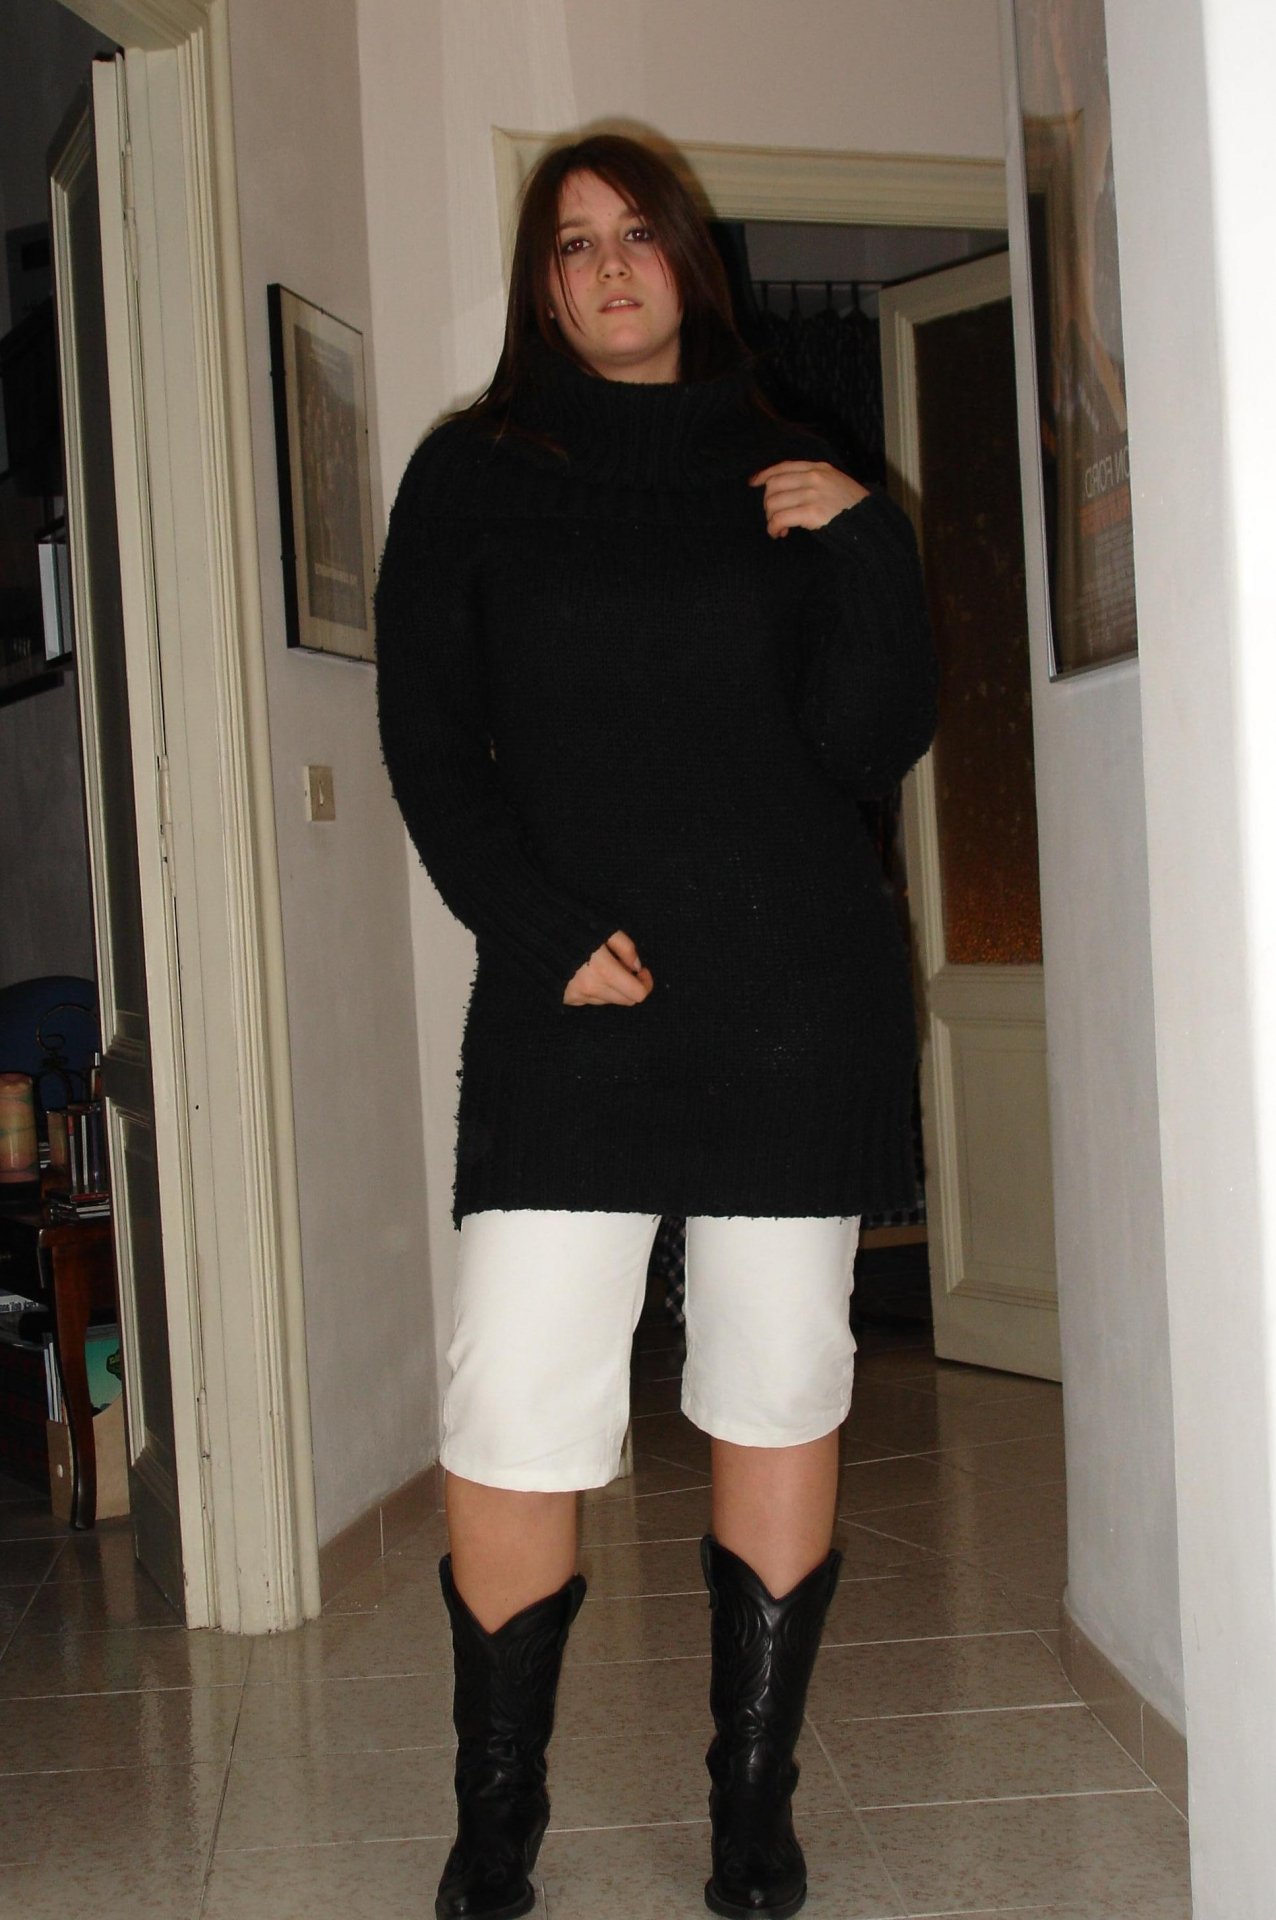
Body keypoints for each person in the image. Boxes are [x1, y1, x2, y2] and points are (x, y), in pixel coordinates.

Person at [374, 130, 938, 1920]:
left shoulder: (800, 458)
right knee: (515, 1399)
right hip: (571, 1008)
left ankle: (750, 1819)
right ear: (542, 285)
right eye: (573, 244)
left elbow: (868, 745)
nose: (610, 266)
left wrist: (870, 546)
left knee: (778, 1385)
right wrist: (539, 933)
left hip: (793, 1004)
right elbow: (428, 744)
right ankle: (496, 1836)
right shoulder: (471, 476)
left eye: (636, 235)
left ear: (689, 256)